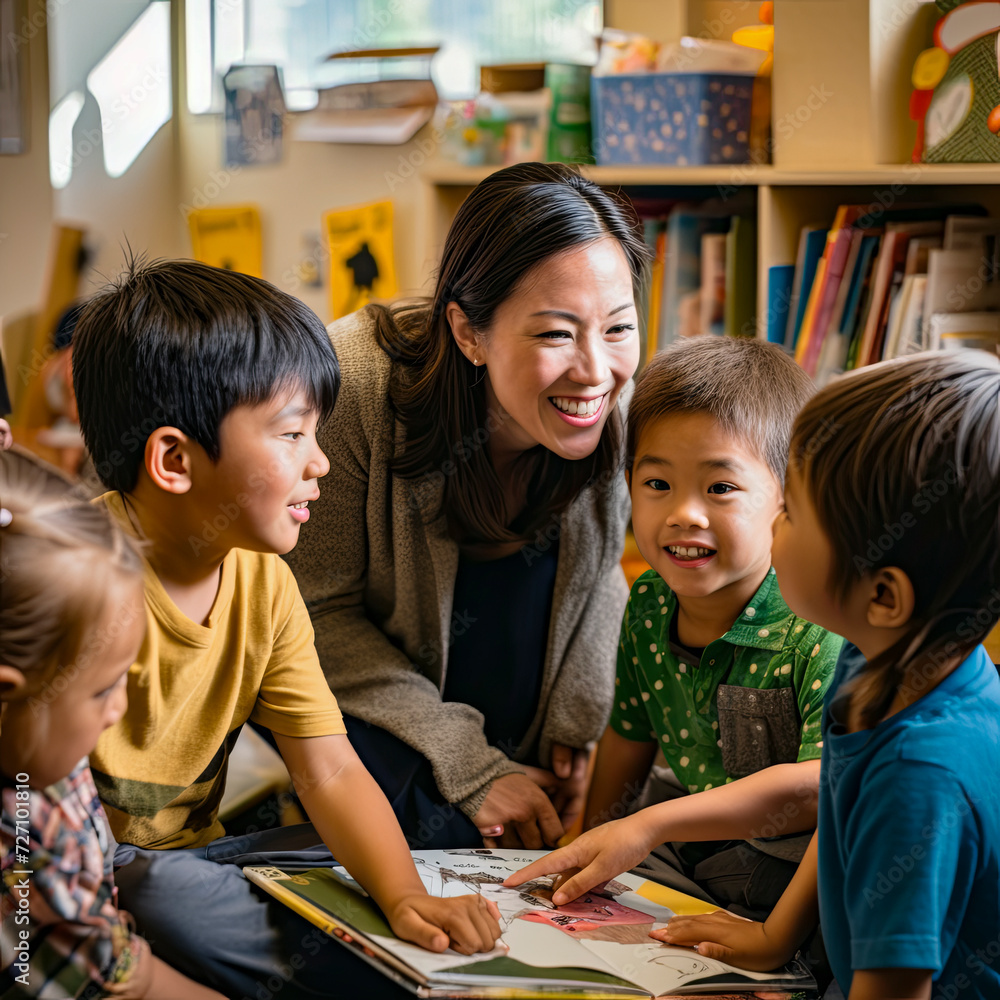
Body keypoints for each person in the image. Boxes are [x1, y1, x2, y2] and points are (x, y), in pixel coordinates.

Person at [71, 258, 501, 999]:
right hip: (94, 876)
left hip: (207, 862)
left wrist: (401, 896)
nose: (321, 464)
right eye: (293, 434)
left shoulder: (263, 582)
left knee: (414, 846)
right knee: (159, 893)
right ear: (174, 459)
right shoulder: (72, 584)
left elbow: (327, 769)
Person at [285, 161, 653, 851]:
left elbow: (601, 574)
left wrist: (578, 722)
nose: (596, 371)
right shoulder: (354, 386)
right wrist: (471, 764)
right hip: (359, 691)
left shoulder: (616, 402)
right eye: (555, 333)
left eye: (618, 328)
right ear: (467, 332)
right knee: (442, 845)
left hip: (496, 696)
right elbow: (313, 615)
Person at [655, 352, 1000, 1000]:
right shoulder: (883, 657)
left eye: (792, 510)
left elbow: (894, 986)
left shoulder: (920, 775)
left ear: (883, 595)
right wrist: (773, 937)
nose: (772, 520)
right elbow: (840, 812)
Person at [505, 336, 842, 925]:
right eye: (657, 485)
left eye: (720, 488)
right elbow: (628, 735)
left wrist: (647, 827)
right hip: (691, 838)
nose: (684, 512)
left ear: (790, 497)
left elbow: (825, 789)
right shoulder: (650, 603)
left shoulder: (817, 625)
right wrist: (590, 840)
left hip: (801, 860)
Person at [0, 450, 224, 999]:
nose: (118, 708)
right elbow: (118, 979)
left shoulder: (40, 755)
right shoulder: (29, 844)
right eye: (102, 688)